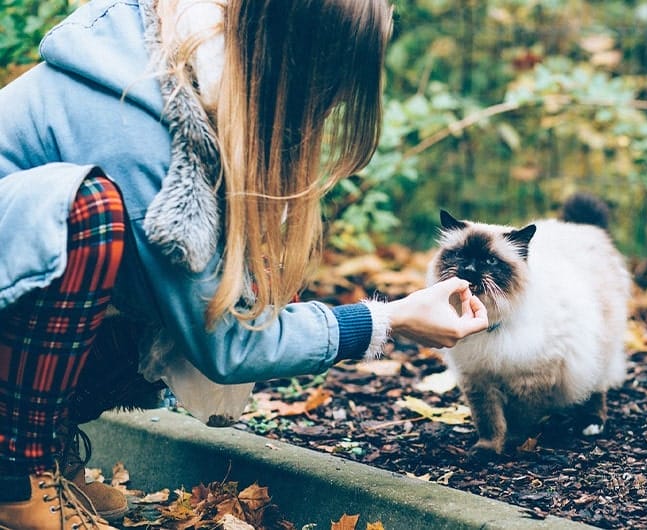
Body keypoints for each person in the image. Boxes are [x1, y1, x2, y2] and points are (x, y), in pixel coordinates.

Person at [0, 1, 489, 528]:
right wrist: (389, 318)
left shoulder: (190, 85)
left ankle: (44, 451)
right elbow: (225, 340)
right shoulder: (143, 123)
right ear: (301, 65)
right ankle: (15, 477)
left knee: (152, 276)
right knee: (89, 216)